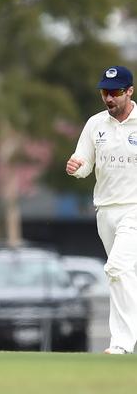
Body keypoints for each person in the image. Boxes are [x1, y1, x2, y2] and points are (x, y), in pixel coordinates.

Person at [66, 65, 137, 355]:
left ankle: (121, 343)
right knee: (123, 275)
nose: (109, 98)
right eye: (105, 92)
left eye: (116, 92)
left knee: (117, 268)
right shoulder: (95, 124)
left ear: (129, 91)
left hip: (134, 207)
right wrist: (77, 167)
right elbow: (84, 162)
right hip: (105, 210)